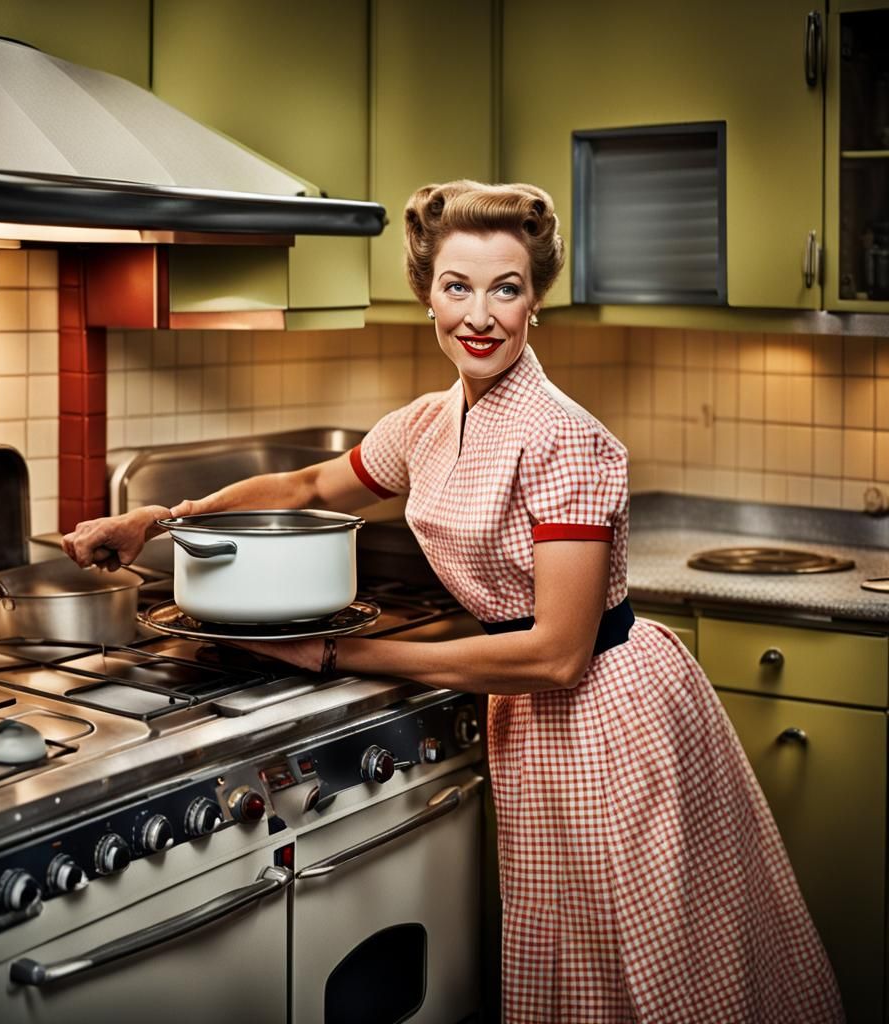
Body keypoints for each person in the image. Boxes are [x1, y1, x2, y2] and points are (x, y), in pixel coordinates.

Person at [64, 180, 845, 1023]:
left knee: (650, 962)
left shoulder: (564, 439)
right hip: (531, 710)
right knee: (564, 943)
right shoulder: (432, 423)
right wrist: (165, 518)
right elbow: (306, 484)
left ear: (535, 300)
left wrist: (338, 653)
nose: (480, 315)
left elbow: (556, 653)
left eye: (506, 288)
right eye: (457, 286)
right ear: (426, 292)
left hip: (611, 716)